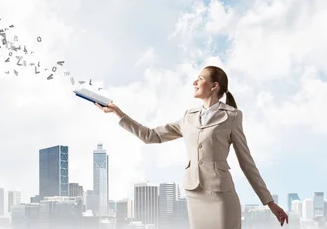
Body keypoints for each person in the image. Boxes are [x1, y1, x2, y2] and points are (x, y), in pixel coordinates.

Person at [94, 65, 288, 228]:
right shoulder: (189, 116)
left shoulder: (232, 116)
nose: (194, 82)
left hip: (221, 195)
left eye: (200, 78)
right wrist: (119, 113)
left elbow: (246, 162)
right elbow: (150, 136)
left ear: (214, 86)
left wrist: (269, 202)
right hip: (194, 193)